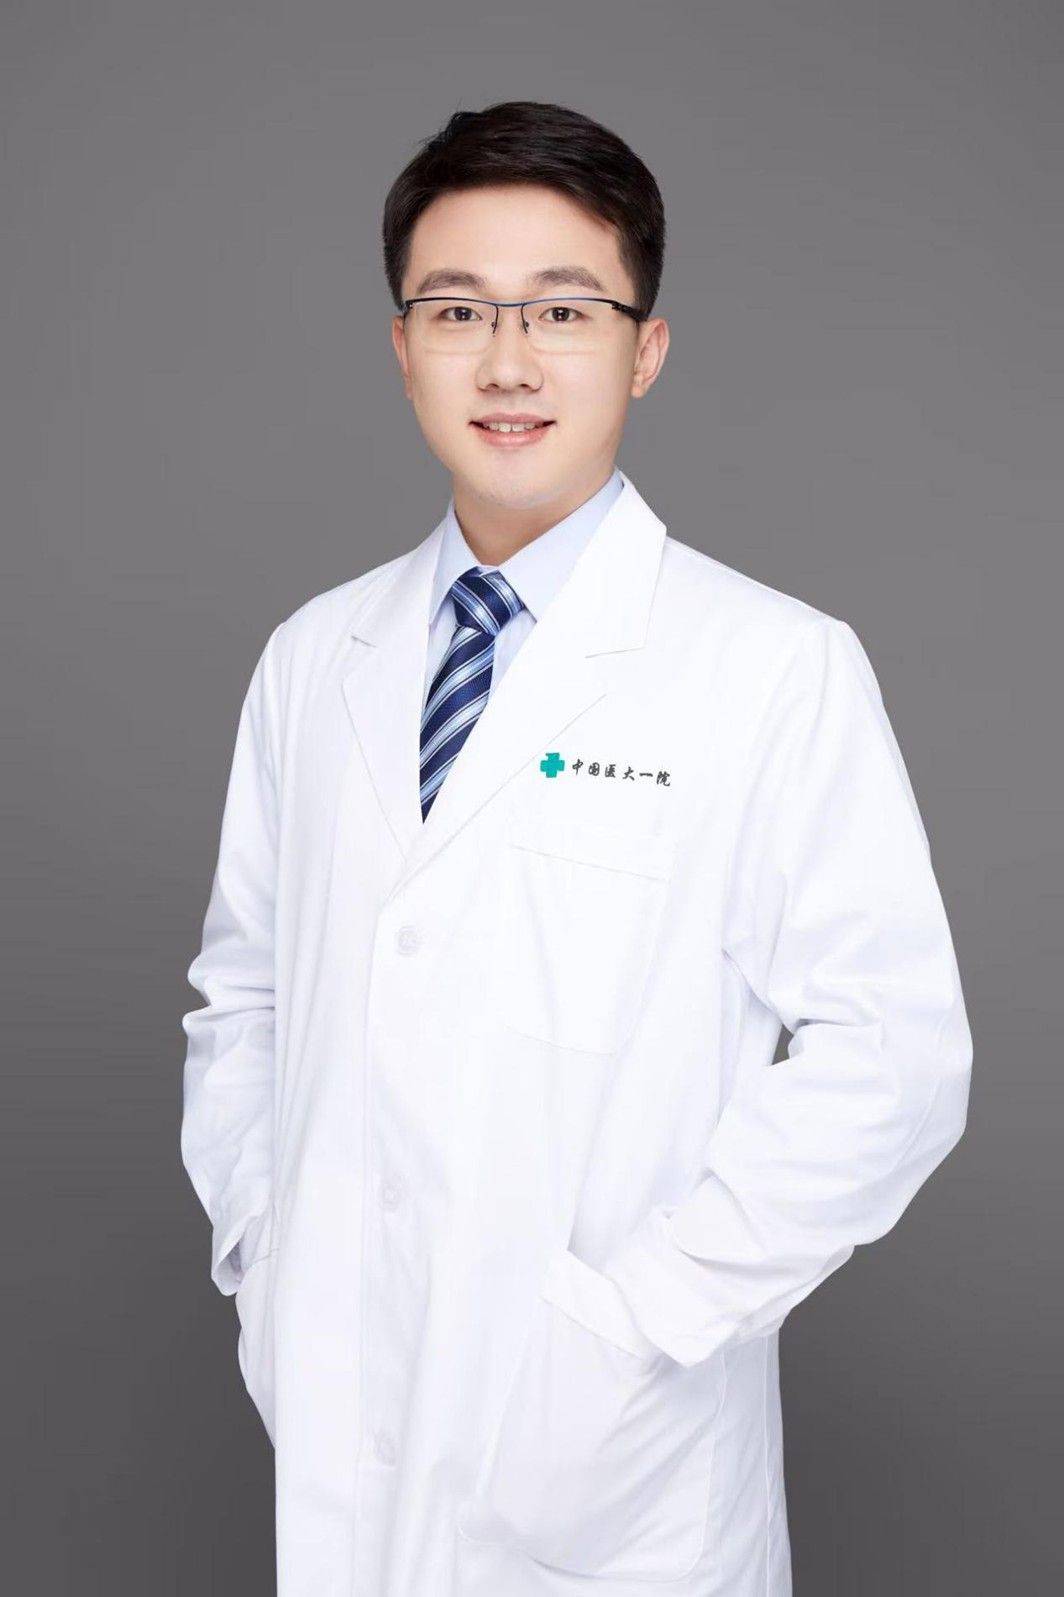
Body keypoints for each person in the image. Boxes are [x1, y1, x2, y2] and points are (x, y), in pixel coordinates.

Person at [180, 99, 973, 1597]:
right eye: (458, 310)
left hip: (621, 1470)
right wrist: (268, 1264)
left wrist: (636, 1322)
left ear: (645, 348)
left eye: (562, 310)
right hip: (347, 1420)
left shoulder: (771, 666)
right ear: (401, 345)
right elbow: (245, 999)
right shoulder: (313, 658)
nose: (509, 360)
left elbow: (895, 1059)